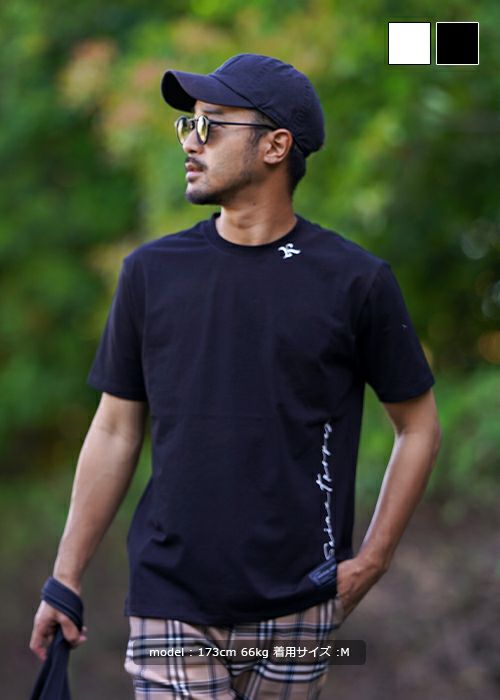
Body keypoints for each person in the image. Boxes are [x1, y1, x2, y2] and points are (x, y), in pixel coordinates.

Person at [30, 53, 441, 699]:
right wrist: (66, 576)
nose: (190, 142)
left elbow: (418, 427)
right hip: (171, 599)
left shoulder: (354, 281)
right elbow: (114, 430)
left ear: (276, 146)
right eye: (187, 125)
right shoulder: (151, 273)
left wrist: (372, 561)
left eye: (211, 125)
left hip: (301, 604)